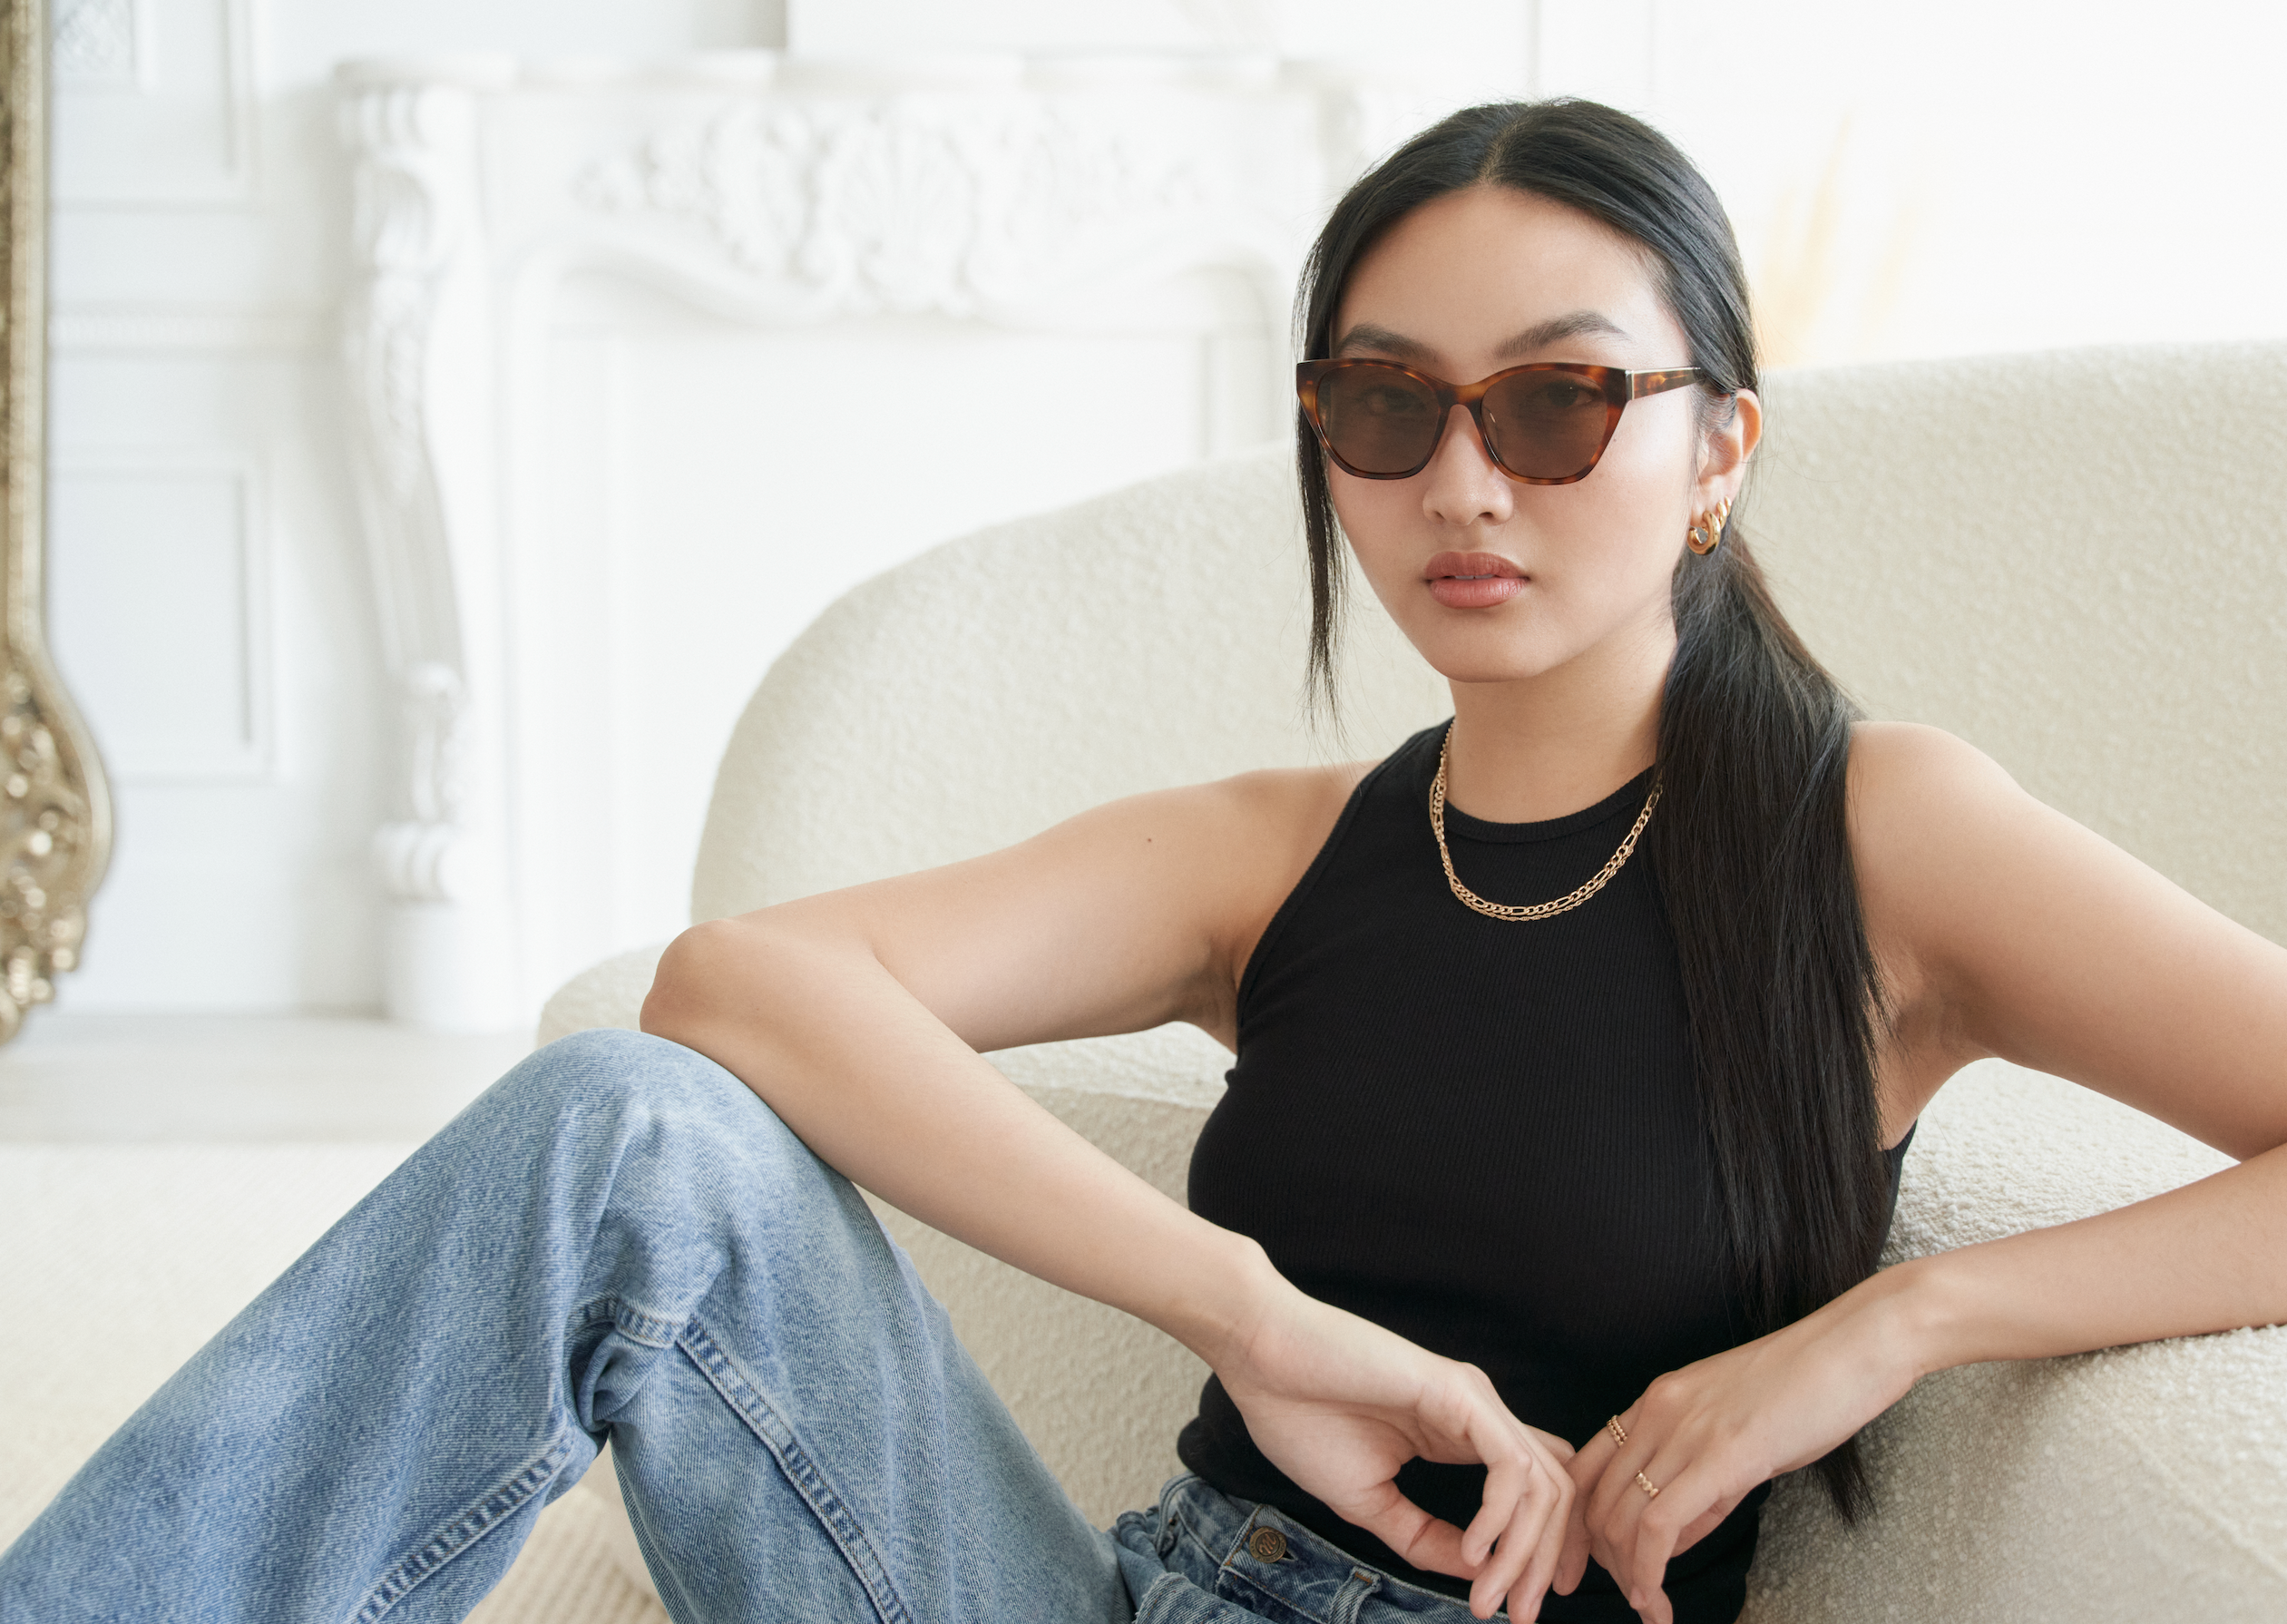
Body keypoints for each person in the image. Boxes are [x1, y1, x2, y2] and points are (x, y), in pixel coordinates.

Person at [5, 97, 2284, 1624]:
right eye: (1388, 409)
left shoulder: (1877, 837)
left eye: (1562, 401)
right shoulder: (1279, 857)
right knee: (626, 1134)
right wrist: (1245, 1312)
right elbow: (723, 995)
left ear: (1717, 451)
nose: (1465, 486)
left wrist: (1895, 1325)